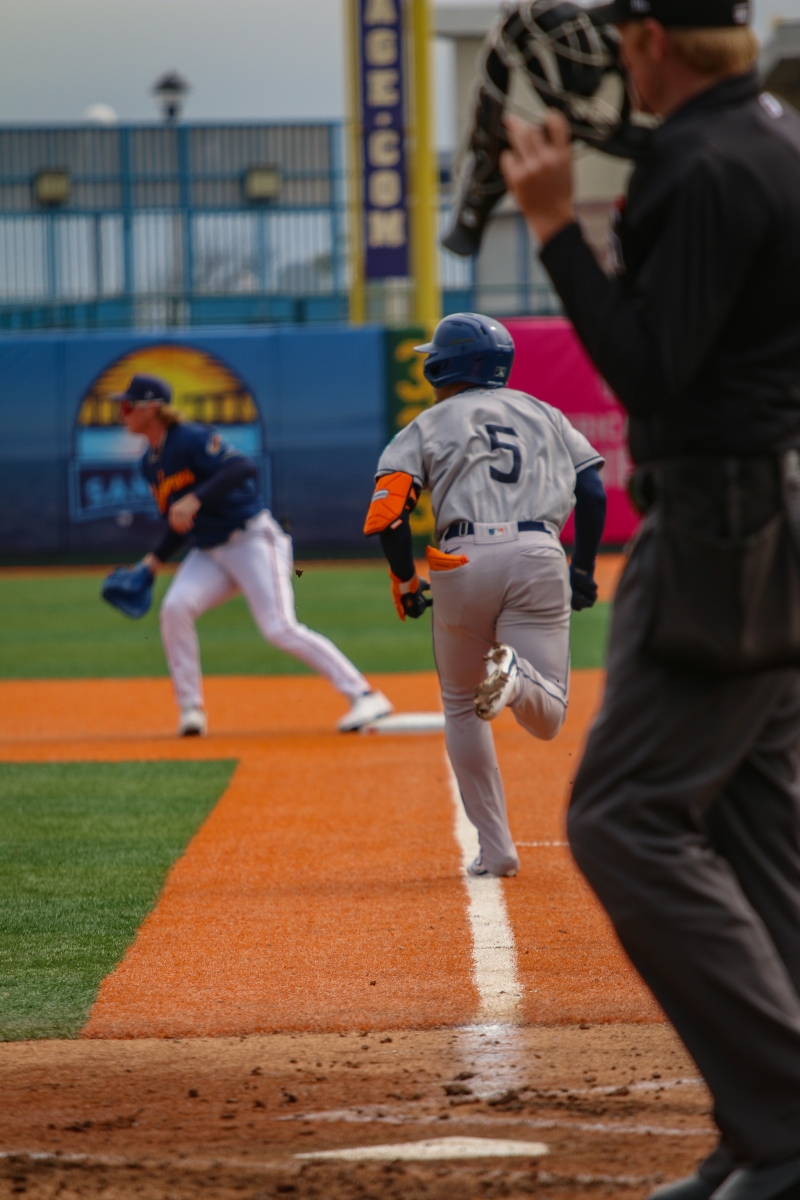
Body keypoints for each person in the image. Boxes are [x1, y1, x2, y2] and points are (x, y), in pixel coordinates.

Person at [501, 3, 800, 1198]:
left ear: (650, 43)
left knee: (622, 819)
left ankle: (783, 1124)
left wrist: (550, 226)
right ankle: (761, 1127)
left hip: (724, 524)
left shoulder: (703, 159)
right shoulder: (767, 134)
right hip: (767, 511)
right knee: (750, 825)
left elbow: (648, 369)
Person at [363, 314, 606, 877]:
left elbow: (390, 516)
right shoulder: (545, 412)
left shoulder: (425, 424)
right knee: (547, 719)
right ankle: (515, 679)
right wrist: (584, 568)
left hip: (461, 559)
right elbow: (592, 490)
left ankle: (497, 850)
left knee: (460, 705)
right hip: (538, 553)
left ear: (443, 365)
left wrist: (405, 581)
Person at [117, 373, 393, 736]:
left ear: (152, 408)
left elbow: (241, 467)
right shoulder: (149, 463)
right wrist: (154, 560)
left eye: (128, 406)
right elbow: (179, 520)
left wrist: (195, 498)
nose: (121, 413)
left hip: (251, 540)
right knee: (175, 608)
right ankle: (191, 709)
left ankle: (365, 694)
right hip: (210, 551)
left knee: (279, 627)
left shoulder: (190, 438)